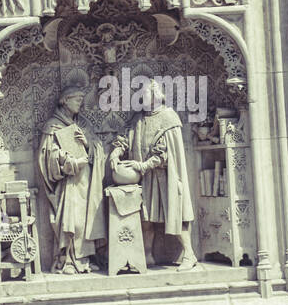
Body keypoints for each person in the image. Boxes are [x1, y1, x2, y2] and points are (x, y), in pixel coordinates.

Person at [120, 76, 197, 270]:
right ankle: (146, 256)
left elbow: (165, 153)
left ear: (155, 95)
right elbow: (126, 139)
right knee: (146, 219)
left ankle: (190, 255)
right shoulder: (139, 118)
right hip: (146, 179)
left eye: (144, 93)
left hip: (166, 177)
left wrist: (143, 166)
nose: (141, 97)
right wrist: (116, 151)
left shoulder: (168, 118)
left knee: (176, 214)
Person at [38, 70, 106, 274]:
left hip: (85, 181)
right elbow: (47, 155)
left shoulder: (83, 124)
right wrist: (67, 162)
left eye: (81, 100)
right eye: (77, 100)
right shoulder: (53, 126)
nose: (80, 104)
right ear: (65, 101)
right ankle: (68, 259)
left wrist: (87, 144)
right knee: (71, 221)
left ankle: (85, 259)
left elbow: (98, 147)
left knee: (86, 221)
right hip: (67, 182)